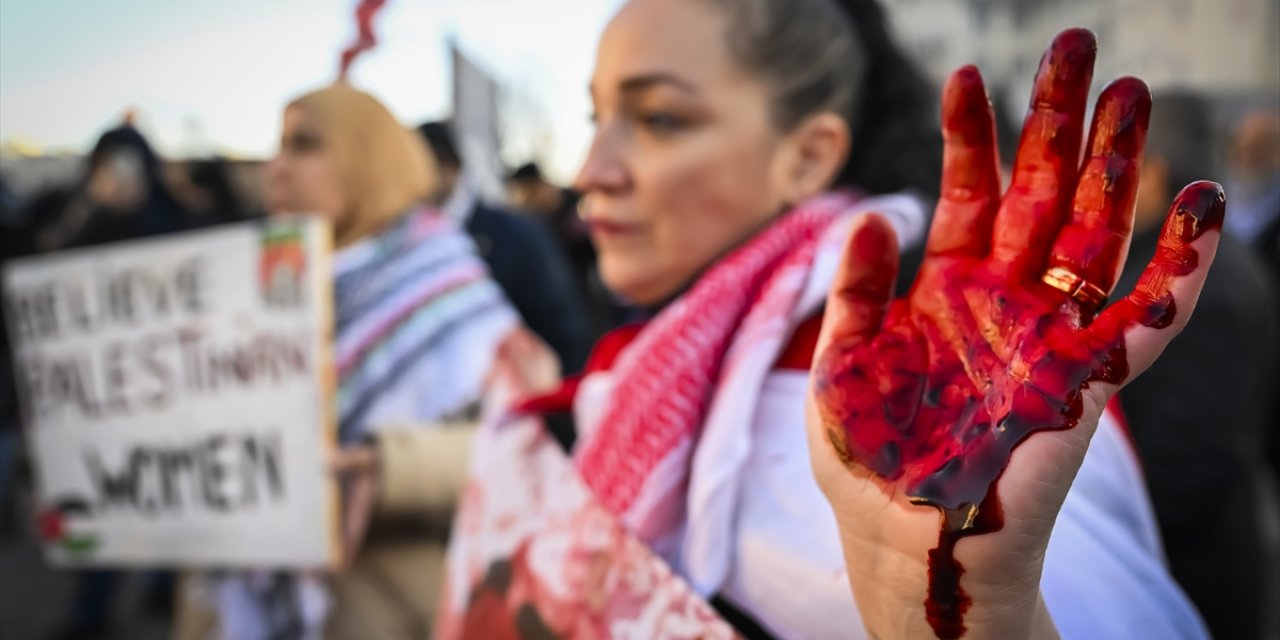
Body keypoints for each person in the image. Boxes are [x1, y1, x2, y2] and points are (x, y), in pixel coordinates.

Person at [431, 2, 1213, 639]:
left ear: (807, 158)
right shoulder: (655, 362)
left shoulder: (923, 401)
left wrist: (954, 619)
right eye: (596, 115)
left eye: (659, 119)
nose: (590, 171)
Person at [175, 85, 520, 640]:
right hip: (240, 605)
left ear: (371, 159)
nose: (277, 169)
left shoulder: (446, 288)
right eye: (278, 147)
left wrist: (392, 468)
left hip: (381, 605)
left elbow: (519, 447)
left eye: (304, 145)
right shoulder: (252, 288)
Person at [1112, 91, 1280, 640]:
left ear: (1154, 175)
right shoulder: (1177, 266)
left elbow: (1184, 467)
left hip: (1188, 579)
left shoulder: (1198, 289)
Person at [417, 122, 592, 372]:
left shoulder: (515, 233)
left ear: (449, 167)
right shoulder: (418, 240)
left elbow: (565, 333)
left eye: (418, 168)